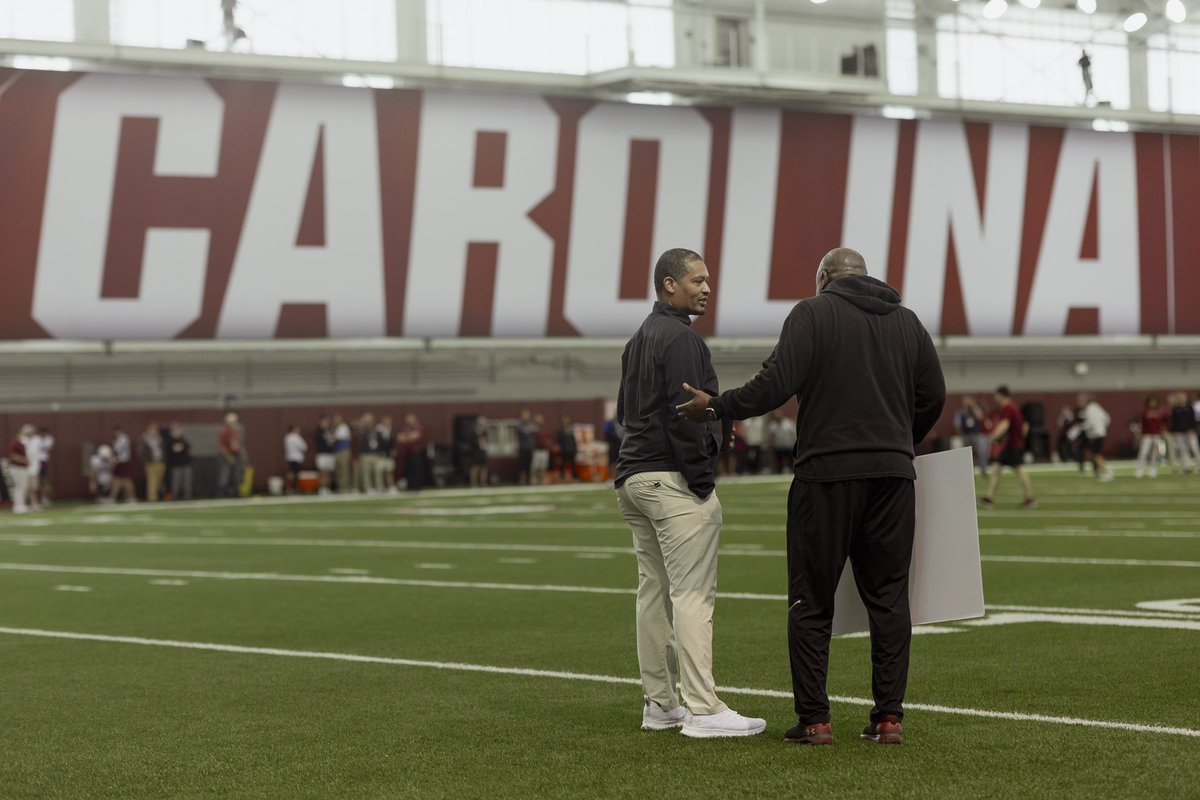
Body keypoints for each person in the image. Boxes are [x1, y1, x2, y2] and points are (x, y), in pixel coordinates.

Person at [677, 247, 944, 746]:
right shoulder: (908, 322)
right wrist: (900, 442)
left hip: (826, 475)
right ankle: (889, 719)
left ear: (823, 279)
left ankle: (815, 720)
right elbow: (935, 395)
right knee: (889, 600)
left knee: (811, 601)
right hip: (892, 477)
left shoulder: (813, 313)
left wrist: (716, 407)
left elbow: (774, 385)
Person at [616, 247, 766, 739]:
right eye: (697, 280)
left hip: (634, 476)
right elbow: (685, 414)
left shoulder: (640, 338)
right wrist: (703, 475)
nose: (706, 287)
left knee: (653, 594)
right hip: (670, 479)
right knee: (693, 594)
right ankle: (702, 708)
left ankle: (660, 704)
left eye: (708, 279)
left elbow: (625, 411)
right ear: (668, 285)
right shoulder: (680, 338)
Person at [980, 387, 1038, 508]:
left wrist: (993, 436)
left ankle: (1030, 498)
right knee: (996, 467)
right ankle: (989, 498)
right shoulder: (1014, 407)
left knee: (1019, 470)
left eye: (996, 396)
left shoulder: (1008, 408)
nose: (995, 398)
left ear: (1002, 395)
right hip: (1011, 445)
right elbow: (1024, 427)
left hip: (1013, 445)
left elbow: (1005, 424)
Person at [1078, 393, 1115, 481]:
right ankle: (1105, 470)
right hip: (1101, 433)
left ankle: (1107, 471)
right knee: (1096, 454)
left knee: (1096, 455)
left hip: (1095, 435)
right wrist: (1102, 427)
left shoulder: (1089, 409)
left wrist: (1082, 427)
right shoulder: (1098, 407)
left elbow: (1090, 424)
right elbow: (1108, 419)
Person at [953, 396, 988, 475]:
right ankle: (967, 471)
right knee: (966, 454)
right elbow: (957, 424)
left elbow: (981, 418)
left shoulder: (976, 410)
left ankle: (983, 470)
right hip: (966, 435)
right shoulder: (960, 412)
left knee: (980, 452)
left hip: (975, 435)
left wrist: (973, 408)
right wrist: (960, 434)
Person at [1167, 392, 1199, 474]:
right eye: (1179, 397)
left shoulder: (1189, 407)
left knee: (1195, 449)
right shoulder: (1176, 409)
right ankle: (1186, 467)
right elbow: (1174, 422)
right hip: (1180, 433)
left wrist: (1193, 429)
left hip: (1190, 432)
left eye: (1182, 397)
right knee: (1183, 450)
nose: (1181, 399)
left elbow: (1193, 419)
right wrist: (1174, 431)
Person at [1136, 395, 1166, 479]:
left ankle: (1153, 469)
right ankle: (1140, 469)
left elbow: (1163, 423)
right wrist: (1141, 434)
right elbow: (1142, 424)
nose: (1153, 403)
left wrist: (1162, 432)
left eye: (1154, 402)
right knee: (1143, 452)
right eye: (1151, 402)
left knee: (1155, 454)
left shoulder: (1160, 412)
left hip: (1157, 434)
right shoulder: (1145, 412)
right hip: (1147, 435)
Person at [217, 412, 245, 498]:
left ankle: (236, 494)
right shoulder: (224, 432)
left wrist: (240, 453)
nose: (235, 423)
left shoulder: (236, 431)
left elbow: (237, 444)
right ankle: (221, 495)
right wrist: (228, 457)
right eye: (233, 422)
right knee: (225, 475)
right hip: (226, 456)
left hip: (235, 454)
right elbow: (221, 446)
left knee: (236, 475)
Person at [397, 413, 427, 492]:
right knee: (408, 470)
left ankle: (417, 486)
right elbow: (399, 438)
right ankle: (410, 486)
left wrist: (406, 438)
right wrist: (408, 438)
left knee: (417, 470)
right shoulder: (405, 428)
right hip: (407, 452)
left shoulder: (418, 427)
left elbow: (415, 437)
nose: (409, 422)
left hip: (416, 452)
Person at [8, 424, 34, 513]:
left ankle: (22, 504)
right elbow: (13, 456)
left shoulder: (22, 444)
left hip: (23, 468)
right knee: (19, 487)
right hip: (17, 468)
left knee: (24, 487)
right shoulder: (15, 444)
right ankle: (17, 505)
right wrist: (25, 461)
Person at [164, 422, 193, 501]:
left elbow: (186, 447)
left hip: (186, 463)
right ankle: (174, 497)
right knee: (176, 482)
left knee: (187, 482)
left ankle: (187, 497)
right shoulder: (169, 440)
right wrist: (178, 447)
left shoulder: (183, 439)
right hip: (175, 465)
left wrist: (179, 447)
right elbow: (174, 449)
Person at [357, 413, 384, 494]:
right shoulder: (362, 431)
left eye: (370, 420)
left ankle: (379, 487)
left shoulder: (377, 431)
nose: (368, 422)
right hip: (366, 455)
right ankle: (368, 488)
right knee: (366, 473)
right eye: (367, 421)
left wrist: (381, 452)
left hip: (376, 454)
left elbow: (381, 442)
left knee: (378, 472)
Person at [140, 421, 166, 502]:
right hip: (150, 463)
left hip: (160, 462)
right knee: (152, 481)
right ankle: (152, 499)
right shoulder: (145, 439)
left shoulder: (160, 439)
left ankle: (156, 495)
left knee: (159, 482)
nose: (154, 431)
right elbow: (141, 452)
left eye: (155, 429)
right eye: (152, 429)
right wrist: (146, 461)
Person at [111, 425, 136, 503]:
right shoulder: (118, 439)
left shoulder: (123, 438)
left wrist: (113, 458)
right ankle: (127, 496)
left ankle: (131, 497)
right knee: (120, 480)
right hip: (120, 461)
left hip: (123, 461)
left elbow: (118, 450)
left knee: (125, 480)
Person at [314, 414, 336, 495]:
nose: (326, 423)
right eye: (324, 421)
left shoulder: (330, 430)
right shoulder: (318, 431)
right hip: (322, 454)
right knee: (323, 472)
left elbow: (333, 439)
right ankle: (322, 488)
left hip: (330, 454)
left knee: (329, 473)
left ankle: (328, 488)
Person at [516, 409, 538, 485]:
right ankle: (522, 481)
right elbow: (523, 431)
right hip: (523, 448)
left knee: (530, 466)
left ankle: (530, 481)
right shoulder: (520, 424)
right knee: (522, 466)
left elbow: (536, 429)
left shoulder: (531, 424)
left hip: (530, 448)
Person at [284, 424, 307, 494]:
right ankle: (295, 488)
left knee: (292, 473)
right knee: (296, 474)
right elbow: (304, 447)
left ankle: (290, 489)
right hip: (297, 458)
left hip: (290, 458)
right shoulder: (296, 437)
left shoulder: (287, 437)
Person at [332, 414, 353, 493]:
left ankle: (345, 487)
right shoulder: (336, 428)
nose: (335, 421)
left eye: (337, 419)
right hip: (337, 451)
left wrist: (334, 438)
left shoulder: (344, 427)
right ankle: (340, 486)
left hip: (344, 451)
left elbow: (337, 438)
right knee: (338, 470)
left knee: (344, 469)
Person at [35, 426, 54, 508]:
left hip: (43, 462)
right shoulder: (36, 439)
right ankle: (37, 499)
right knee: (36, 482)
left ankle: (44, 498)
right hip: (35, 462)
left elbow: (46, 447)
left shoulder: (49, 439)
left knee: (44, 481)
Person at [377, 416, 396, 493]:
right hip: (380, 455)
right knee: (380, 472)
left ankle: (391, 487)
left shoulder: (390, 430)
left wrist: (392, 450)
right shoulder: (378, 431)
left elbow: (392, 443)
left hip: (388, 455)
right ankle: (380, 488)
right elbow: (377, 443)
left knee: (389, 471)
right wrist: (380, 451)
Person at [469, 417, 489, 488]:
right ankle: (474, 483)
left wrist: (483, 443)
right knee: (475, 467)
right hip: (475, 452)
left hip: (482, 451)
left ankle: (483, 483)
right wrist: (478, 442)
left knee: (484, 467)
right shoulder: (473, 431)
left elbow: (486, 442)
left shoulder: (485, 432)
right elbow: (471, 442)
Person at [556, 416, 578, 483]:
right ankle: (561, 477)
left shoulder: (571, 430)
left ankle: (574, 477)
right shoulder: (561, 431)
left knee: (573, 464)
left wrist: (575, 449)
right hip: (564, 450)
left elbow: (574, 441)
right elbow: (559, 441)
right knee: (563, 464)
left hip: (571, 450)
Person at [531, 414, 551, 485]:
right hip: (537, 451)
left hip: (544, 451)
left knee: (543, 467)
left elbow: (548, 439)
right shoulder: (533, 429)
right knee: (535, 467)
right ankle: (534, 481)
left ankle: (541, 481)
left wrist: (548, 443)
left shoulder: (545, 428)